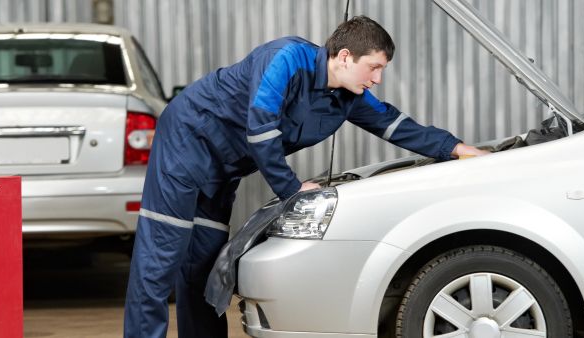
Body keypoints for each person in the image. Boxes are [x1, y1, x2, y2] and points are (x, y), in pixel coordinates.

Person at [123, 15, 490, 338]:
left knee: (203, 266)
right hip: (187, 143)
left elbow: (394, 125)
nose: (378, 79)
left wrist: (457, 148)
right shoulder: (284, 58)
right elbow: (261, 129)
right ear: (345, 57)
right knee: (160, 259)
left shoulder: (347, 96)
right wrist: (292, 189)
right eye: (374, 67)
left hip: (225, 168)